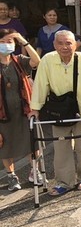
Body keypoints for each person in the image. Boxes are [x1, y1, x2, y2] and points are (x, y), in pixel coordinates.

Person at [29, 30, 81, 196]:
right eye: (60, 43)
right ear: (54, 45)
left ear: (75, 44)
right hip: (58, 110)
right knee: (61, 147)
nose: (64, 47)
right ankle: (64, 181)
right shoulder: (47, 60)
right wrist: (35, 108)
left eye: (68, 43)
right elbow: (40, 84)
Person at [0, 29, 40, 191]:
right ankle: (11, 176)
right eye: (2, 41)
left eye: (10, 42)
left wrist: (23, 40)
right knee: (5, 145)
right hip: (3, 115)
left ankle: (35, 171)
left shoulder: (19, 60)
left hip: (24, 111)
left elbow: (37, 61)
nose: (6, 45)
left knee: (31, 143)